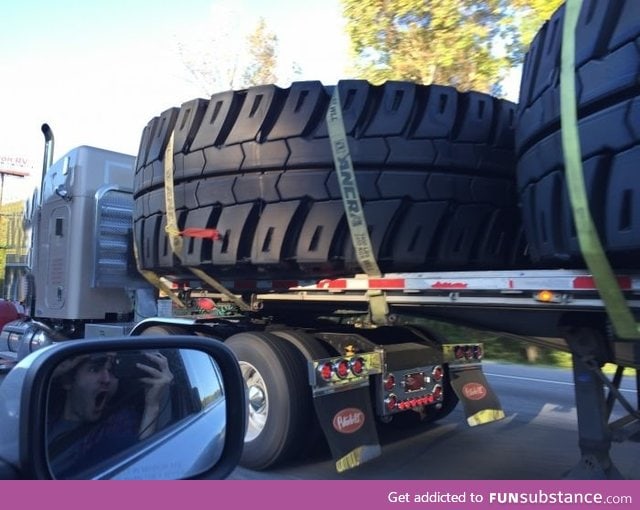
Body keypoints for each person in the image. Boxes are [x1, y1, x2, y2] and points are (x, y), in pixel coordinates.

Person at [47, 350, 173, 479]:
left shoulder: (118, 427)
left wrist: (152, 407)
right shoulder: (44, 413)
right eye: (94, 369)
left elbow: (136, 474)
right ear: (67, 381)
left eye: (113, 371)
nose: (106, 379)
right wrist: (51, 370)